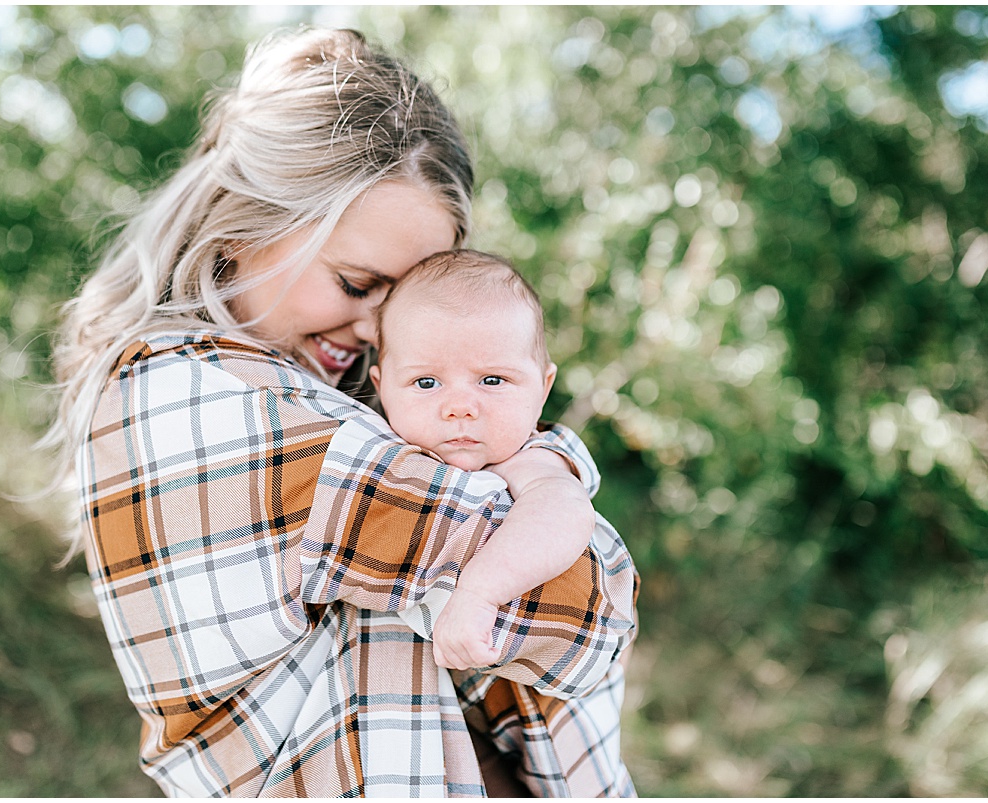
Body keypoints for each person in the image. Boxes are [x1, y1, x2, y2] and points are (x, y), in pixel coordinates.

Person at [47, 26, 638, 797]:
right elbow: (590, 605)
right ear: (241, 225)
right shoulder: (188, 393)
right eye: (357, 284)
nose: (373, 333)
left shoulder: (330, 405)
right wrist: (548, 474)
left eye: (401, 302)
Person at [368, 249, 637, 676]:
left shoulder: (530, 458)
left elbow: (563, 511)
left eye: (492, 380)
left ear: (542, 388)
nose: (459, 407)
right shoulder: (376, 452)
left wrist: (480, 593)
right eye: (426, 382)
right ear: (383, 390)